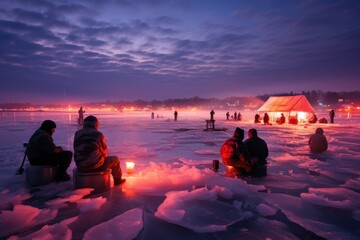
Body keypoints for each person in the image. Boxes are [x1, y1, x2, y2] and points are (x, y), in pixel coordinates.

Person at [73, 115, 125, 185]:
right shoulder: (98, 134)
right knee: (115, 160)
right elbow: (104, 152)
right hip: (95, 166)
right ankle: (117, 180)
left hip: (80, 166)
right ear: (96, 124)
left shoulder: (77, 133)